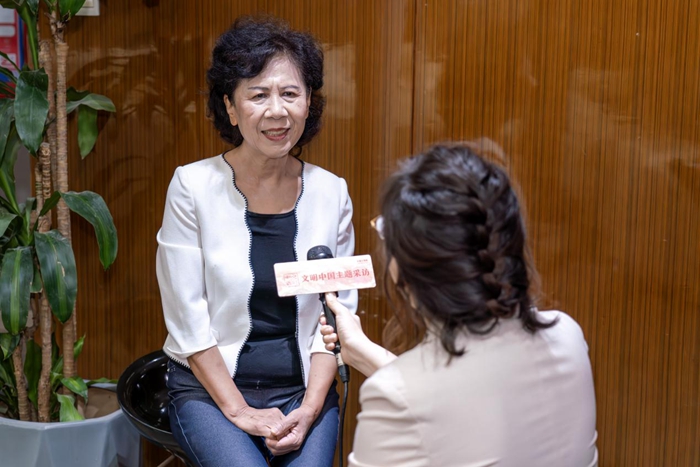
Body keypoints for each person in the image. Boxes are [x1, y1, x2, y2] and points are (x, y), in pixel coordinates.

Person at [156, 16, 357, 467]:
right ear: (230, 107)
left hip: (303, 390)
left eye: (290, 94)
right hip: (211, 391)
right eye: (258, 95)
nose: (277, 111)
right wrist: (240, 411)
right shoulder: (192, 187)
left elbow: (336, 317)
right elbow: (188, 319)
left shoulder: (332, 193)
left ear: (309, 103)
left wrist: (309, 409)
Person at [320, 144, 599, 466]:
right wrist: (363, 352)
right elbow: (464, 403)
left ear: (405, 269)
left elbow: (431, 401)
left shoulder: (395, 396)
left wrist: (384, 377)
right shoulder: (567, 335)